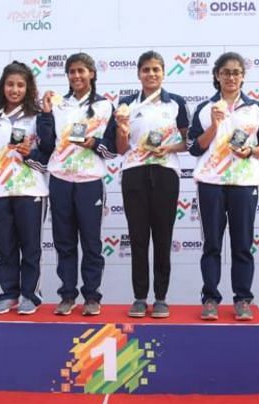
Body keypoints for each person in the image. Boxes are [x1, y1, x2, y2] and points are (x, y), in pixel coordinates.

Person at [188, 52, 259, 321]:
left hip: (243, 183)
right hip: (211, 183)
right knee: (212, 245)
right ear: (217, 75)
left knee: (242, 245)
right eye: (225, 72)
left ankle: (242, 299)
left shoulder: (255, 107)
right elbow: (193, 148)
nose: (231, 77)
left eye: (236, 72)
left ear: (243, 76)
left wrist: (252, 151)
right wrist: (214, 126)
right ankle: (211, 298)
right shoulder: (205, 108)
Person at [39, 52, 116, 316]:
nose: (77, 76)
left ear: (92, 73)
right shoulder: (58, 103)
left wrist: (93, 143)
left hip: (90, 182)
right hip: (60, 179)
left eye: (82, 70)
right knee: (64, 242)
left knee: (92, 243)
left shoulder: (105, 106)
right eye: (72, 71)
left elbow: (114, 148)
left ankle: (92, 296)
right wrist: (46, 115)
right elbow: (47, 144)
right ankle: (67, 295)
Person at [114, 51, 188, 318]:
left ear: (164, 72)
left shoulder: (176, 102)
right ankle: (139, 297)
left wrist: (169, 148)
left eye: (156, 69)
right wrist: (122, 131)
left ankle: (161, 297)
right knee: (138, 238)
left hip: (166, 172)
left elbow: (188, 143)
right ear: (138, 74)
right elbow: (121, 149)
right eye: (146, 70)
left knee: (162, 237)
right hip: (134, 172)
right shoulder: (125, 104)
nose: (151, 74)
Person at [0, 61, 51, 316]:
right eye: (10, 84)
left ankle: (31, 294)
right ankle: (9, 293)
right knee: (5, 246)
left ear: (28, 88)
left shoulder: (38, 115)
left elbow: (47, 153)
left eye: (20, 85)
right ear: (3, 87)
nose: (14, 89)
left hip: (30, 188)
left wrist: (29, 152)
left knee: (30, 246)